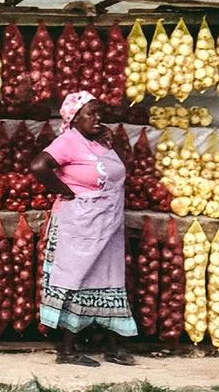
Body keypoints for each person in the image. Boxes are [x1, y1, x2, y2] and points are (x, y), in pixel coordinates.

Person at [28, 89, 137, 369]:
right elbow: (39, 165)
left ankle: (114, 345)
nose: (98, 118)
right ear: (74, 118)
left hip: (108, 225)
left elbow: (118, 171)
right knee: (75, 281)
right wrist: (65, 192)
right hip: (79, 225)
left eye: (100, 112)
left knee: (111, 280)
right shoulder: (69, 141)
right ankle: (67, 350)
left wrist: (107, 134)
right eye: (91, 113)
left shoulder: (99, 142)